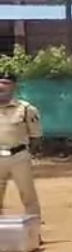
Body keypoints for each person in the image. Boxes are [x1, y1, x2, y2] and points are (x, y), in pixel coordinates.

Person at [0, 73, 43, 219]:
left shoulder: (25, 109)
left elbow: (36, 136)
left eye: (6, 83)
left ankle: (34, 229)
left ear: (14, 87)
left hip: (19, 157)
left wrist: (28, 155)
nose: (1, 86)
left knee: (28, 196)